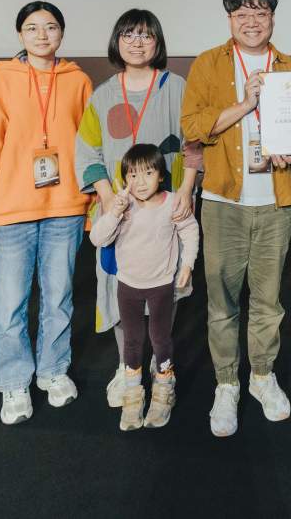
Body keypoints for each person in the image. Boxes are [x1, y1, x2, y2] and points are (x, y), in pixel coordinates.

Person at [179, 0, 291, 437]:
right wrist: (245, 103)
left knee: (268, 301)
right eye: (242, 13)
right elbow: (193, 126)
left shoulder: (288, 68)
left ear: (273, 17)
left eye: (260, 12)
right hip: (223, 201)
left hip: (275, 201)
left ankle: (262, 377)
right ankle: (227, 383)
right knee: (223, 302)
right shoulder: (208, 64)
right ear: (230, 18)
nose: (252, 21)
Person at [0, 0, 94, 426]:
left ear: (62, 33)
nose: (42, 35)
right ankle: (14, 382)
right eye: (33, 27)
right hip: (10, 213)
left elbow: (91, 148)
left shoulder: (78, 81)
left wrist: (92, 207)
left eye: (51, 26)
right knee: (9, 306)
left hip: (65, 209)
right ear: (20, 34)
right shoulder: (1, 82)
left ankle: (53, 370)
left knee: (58, 298)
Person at [75, 9, 202, 407]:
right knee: (118, 290)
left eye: (146, 35)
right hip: (120, 216)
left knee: (166, 289)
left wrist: (185, 191)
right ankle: (125, 366)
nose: (137, 42)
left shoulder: (176, 87)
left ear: (157, 42)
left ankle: (159, 364)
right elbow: (87, 152)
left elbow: (194, 145)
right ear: (117, 41)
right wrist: (106, 198)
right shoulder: (102, 95)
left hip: (166, 213)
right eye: (128, 34)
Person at [88, 144, 199, 431]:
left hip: (161, 285)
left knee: (161, 339)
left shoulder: (172, 202)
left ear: (161, 175)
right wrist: (114, 212)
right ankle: (133, 394)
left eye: (148, 173)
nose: (140, 182)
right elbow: (97, 239)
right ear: (125, 178)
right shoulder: (123, 205)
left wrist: (187, 264)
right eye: (133, 175)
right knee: (132, 341)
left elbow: (190, 230)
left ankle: (163, 389)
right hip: (128, 286)